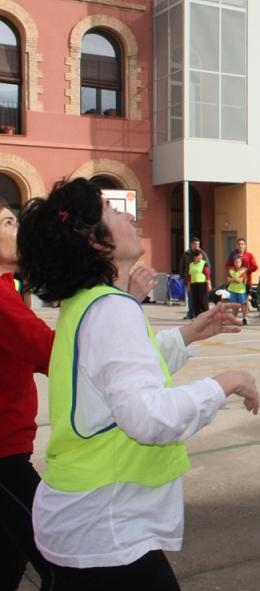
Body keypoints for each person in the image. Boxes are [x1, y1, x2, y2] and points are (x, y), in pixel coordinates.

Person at [16, 177, 259, 589]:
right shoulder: (112, 309)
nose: (128, 216)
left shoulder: (90, 303)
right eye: (112, 211)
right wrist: (225, 383)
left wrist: (188, 334)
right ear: (97, 241)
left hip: (88, 520)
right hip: (105, 524)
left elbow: (117, 375)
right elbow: (148, 417)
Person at [0, 198, 54, 591]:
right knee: (56, 556)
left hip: (9, 449)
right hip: (3, 458)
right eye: (8, 223)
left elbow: (35, 354)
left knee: (8, 560)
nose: (18, 230)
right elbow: (51, 350)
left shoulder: (8, 288)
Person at [226, 238, 258, 323]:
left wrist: (247, 270)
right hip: (234, 284)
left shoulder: (249, 255)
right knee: (235, 303)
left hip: (247, 282)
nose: (240, 245)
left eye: (242, 244)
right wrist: (232, 269)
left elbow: (255, 267)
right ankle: (233, 319)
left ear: (245, 245)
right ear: (236, 245)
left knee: (244, 301)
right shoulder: (233, 255)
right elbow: (227, 265)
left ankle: (245, 318)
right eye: (239, 244)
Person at [180, 237, 209, 319]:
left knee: (201, 299)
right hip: (190, 279)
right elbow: (182, 265)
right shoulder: (186, 254)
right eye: (195, 244)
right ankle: (191, 314)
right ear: (191, 244)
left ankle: (202, 314)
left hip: (201, 281)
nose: (197, 246)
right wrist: (182, 277)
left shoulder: (202, 254)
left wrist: (208, 280)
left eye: (198, 244)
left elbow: (207, 266)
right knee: (191, 297)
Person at [187, 249, 211, 320]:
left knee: (203, 301)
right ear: (195, 256)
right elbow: (189, 276)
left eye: (201, 256)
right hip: (194, 285)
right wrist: (188, 286)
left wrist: (209, 284)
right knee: (195, 301)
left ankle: (206, 317)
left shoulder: (204, 263)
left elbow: (207, 274)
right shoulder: (191, 265)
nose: (201, 257)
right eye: (199, 256)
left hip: (202, 284)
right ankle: (197, 317)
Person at [226, 254, 249, 325]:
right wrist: (235, 279)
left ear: (241, 263)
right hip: (233, 290)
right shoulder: (231, 270)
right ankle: (233, 319)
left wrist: (232, 279)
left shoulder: (243, 270)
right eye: (236, 262)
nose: (237, 263)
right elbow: (228, 280)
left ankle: (244, 318)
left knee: (243, 304)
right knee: (234, 305)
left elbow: (240, 280)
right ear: (234, 262)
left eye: (239, 262)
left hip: (241, 290)